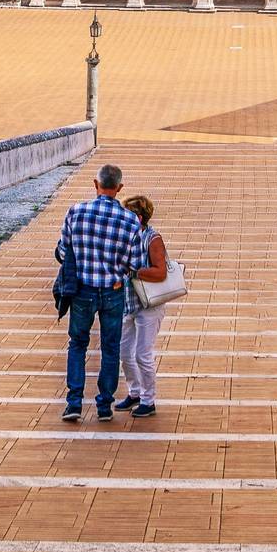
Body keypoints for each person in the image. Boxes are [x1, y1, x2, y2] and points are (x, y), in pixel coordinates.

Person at [56, 163, 147, 422]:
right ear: (119, 188)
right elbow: (136, 264)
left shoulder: (76, 212)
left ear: (96, 184)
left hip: (82, 290)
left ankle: (74, 403)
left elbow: (63, 252)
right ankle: (104, 405)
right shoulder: (130, 220)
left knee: (77, 344)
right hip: (113, 291)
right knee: (110, 348)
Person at [117, 193, 170, 419]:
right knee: (124, 352)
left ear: (139, 217)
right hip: (128, 302)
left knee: (142, 354)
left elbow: (160, 272)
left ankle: (148, 400)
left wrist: (135, 272)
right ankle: (135, 392)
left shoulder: (152, 238)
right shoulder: (123, 237)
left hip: (149, 304)